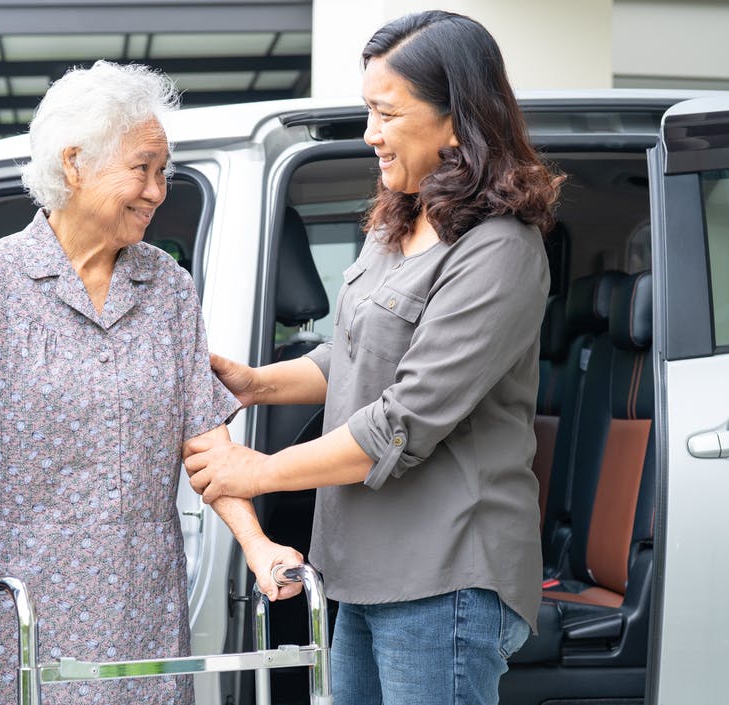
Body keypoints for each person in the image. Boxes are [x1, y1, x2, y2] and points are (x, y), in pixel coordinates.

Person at [184, 12, 562, 705]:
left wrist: (259, 471)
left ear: (457, 122)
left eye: (386, 113)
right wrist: (256, 382)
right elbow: (352, 353)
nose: (370, 133)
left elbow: (402, 421)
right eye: (368, 110)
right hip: (356, 567)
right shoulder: (400, 221)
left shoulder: (500, 250)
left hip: (442, 577)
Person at [0, 60, 302, 705]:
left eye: (162, 171)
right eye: (142, 169)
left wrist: (256, 546)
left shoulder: (167, 285)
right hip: (22, 614)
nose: (157, 190)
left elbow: (204, 444)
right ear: (74, 164)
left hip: (143, 610)